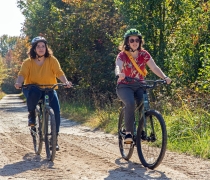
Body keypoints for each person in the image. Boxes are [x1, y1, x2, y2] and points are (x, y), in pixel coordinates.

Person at [14, 36, 72, 150]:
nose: (41, 48)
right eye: (38, 46)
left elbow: (59, 72)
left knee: (56, 111)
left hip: (49, 89)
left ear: (46, 48)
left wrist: (65, 82)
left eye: (43, 46)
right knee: (34, 92)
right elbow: (22, 74)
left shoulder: (52, 60)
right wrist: (18, 83)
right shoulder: (28, 62)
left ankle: (54, 139)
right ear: (34, 49)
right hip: (33, 89)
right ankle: (32, 115)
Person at [115, 28, 172, 143]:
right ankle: (128, 134)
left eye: (137, 40)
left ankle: (141, 131)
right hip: (124, 86)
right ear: (127, 42)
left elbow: (154, 67)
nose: (134, 42)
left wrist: (165, 77)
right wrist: (119, 74)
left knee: (143, 104)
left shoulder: (144, 54)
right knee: (130, 103)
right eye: (132, 40)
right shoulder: (122, 55)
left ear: (140, 42)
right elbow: (117, 66)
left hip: (140, 85)